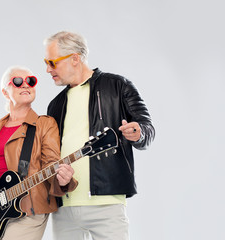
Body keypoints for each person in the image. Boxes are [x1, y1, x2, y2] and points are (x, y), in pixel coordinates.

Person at [44, 31, 155, 240]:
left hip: (106, 205)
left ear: (74, 58)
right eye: (46, 62)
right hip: (64, 207)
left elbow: (147, 127)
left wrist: (138, 133)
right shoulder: (55, 104)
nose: (48, 69)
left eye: (52, 62)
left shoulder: (117, 86)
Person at [0, 65, 77, 240]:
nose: (26, 85)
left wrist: (62, 179)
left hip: (26, 208)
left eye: (31, 81)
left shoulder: (44, 124)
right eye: (18, 82)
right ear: (5, 92)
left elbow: (52, 162)